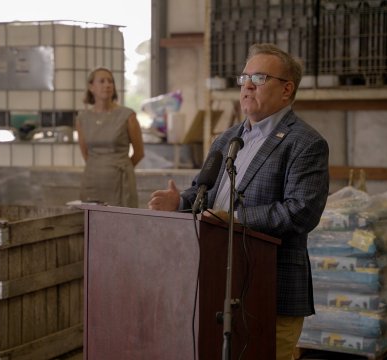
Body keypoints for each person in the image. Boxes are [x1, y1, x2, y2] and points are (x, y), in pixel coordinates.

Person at [148, 43, 330, 360]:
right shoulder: (228, 137)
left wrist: (234, 218)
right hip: (216, 283)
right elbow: (204, 194)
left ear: (287, 90)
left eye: (258, 77)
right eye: (244, 77)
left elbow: (300, 212)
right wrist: (180, 202)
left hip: (271, 288)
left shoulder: (306, 143)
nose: (246, 85)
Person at [76, 67, 145, 207]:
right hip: (92, 182)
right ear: (91, 87)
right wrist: (100, 167)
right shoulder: (83, 118)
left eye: (110, 81)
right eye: (102, 81)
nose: (107, 85)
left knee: (121, 225)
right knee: (91, 225)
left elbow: (139, 153)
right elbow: (86, 153)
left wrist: (120, 168)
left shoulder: (127, 116)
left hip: (120, 182)